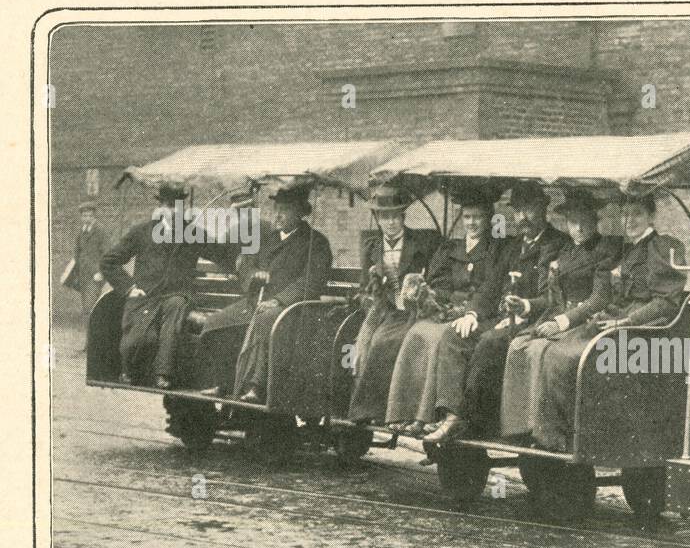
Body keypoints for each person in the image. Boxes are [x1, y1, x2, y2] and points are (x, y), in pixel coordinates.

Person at [417, 181, 568, 444]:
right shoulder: (511, 245)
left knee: (490, 343)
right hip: (503, 318)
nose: (522, 218)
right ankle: (450, 414)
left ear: (544, 209)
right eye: (518, 211)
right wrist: (473, 314)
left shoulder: (557, 244)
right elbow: (491, 286)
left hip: (536, 320)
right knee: (455, 336)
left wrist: (526, 307)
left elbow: (554, 296)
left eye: (529, 210)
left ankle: (469, 419)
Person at [533, 194, 687, 452]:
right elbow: (606, 293)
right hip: (615, 320)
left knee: (565, 357)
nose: (629, 221)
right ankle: (555, 435)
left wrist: (627, 320)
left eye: (637, 213)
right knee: (553, 349)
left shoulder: (662, 247)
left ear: (652, 216)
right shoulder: (627, 250)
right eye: (625, 215)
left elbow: (666, 302)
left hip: (644, 328)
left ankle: (569, 436)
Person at [496, 188, 621, 444]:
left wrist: (561, 322)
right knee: (518, 346)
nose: (578, 228)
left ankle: (550, 432)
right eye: (572, 222)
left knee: (545, 353)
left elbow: (599, 298)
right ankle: (519, 426)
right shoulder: (564, 251)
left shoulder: (604, 249)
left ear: (594, 221)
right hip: (558, 315)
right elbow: (553, 296)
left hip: (584, 320)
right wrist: (527, 307)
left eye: (584, 221)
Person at [382, 184, 506, 436]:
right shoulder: (450, 248)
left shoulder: (497, 249)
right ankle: (406, 413)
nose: (471, 223)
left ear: (488, 219)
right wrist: (443, 297)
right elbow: (438, 282)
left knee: (442, 337)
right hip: (448, 310)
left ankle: (429, 415)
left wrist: (470, 310)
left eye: (478, 217)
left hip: (478, 314)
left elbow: (491, 288)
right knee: (418, 332)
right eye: (468, 217)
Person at [99, 182, 219, 388]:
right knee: (140, 341)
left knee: (176, 305)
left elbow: (223, 252)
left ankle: (164, 373)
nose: (173, 210)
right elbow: (108, 262)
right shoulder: (142, 231)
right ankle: (130, 368)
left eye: (177, 206)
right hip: (145, 296)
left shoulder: (193, 234)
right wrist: (129, 288)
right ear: (161, 207)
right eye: (169, 205)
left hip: (176, 295)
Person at [224, 180, 334, 404]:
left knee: (266, 320)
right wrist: (254, 275)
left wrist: (278, 300)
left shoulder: (316, 243)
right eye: (277, 209)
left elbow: (312, 281)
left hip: (294, 310)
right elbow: (246, 265)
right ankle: (221, 382)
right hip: (257, 303)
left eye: (285, 209)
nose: (278, 215)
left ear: (300, 212)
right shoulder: (268, 239)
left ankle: (256, 385)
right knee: (218, 321)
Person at [345, 184, 439, 424]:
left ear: (403, 217)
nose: (391, 223)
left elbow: (433, 279)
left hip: (410, 311)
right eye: (385, 217)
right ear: (377, 219)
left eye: (395, 217)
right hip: (382, 309)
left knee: (381, 342)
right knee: (362, 343)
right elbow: (364, 287)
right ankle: (360, 409)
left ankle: (375, 412)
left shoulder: (422, 244)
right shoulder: (372, 247)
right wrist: (371, 296)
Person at [62, 200, 108, 349]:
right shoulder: (81, 232)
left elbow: (107, 253)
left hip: (95, 277)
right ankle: (90, 344)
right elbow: (77, 253)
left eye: (89, 215)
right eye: (84, 215)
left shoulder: (100, 231)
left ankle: (94, 344)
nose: (87, 218)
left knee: (90, 309)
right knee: (87, 309)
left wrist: (101, 272)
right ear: (81, 217)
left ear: (94, 216)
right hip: (83, 276)